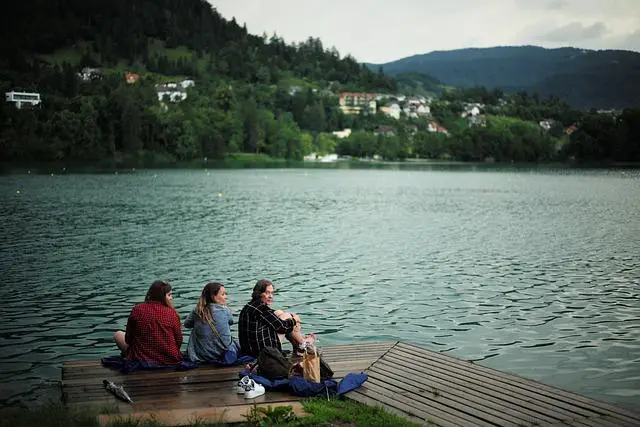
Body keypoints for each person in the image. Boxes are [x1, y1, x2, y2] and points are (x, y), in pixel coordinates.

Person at [113, 280, 183, 365]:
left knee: (118, 334)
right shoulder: (173, 313)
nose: (172, 298)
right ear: (162, 296)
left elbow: (128, 339)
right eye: (169, 295)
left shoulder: (137, 309)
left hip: (141, 359)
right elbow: (178, 341)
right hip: (169, 359)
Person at [239, 279, 312, 357]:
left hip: (248, 350)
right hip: (262, 353)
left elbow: (271, 315)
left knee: (279, 312)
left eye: (272, 293)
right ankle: (302, 343)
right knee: (287, 318)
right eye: (267, 293)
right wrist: (295, 319)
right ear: (259, 293)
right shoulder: (262, 310)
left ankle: (299, 345)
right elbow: (283, 327)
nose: (270, 296)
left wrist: (291, 317)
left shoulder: (250, 305)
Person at [184, 282, 241, 362]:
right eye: (223, 294)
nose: (226, 297)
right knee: (236, 342)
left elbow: (187, 324)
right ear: (213, 297)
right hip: (222, 353)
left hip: (202, 355)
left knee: (195, 329)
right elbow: (231, 322)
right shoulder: (225, 310)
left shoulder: (197, 310)